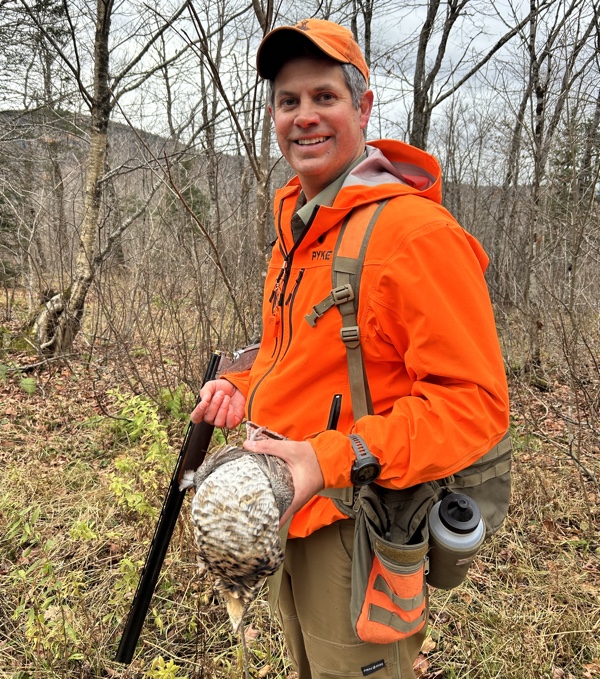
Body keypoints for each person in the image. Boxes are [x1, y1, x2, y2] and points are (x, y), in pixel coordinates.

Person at [191, 18, 510, 679]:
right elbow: (302, 364)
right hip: (291, 512)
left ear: (363, 107)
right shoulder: (298, 231)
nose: (304, 117)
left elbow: (475, 408)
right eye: (288, 101)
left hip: (359, 527)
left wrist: (328, 458)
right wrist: (243, 388)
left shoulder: (416, 235)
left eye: (324, 97)